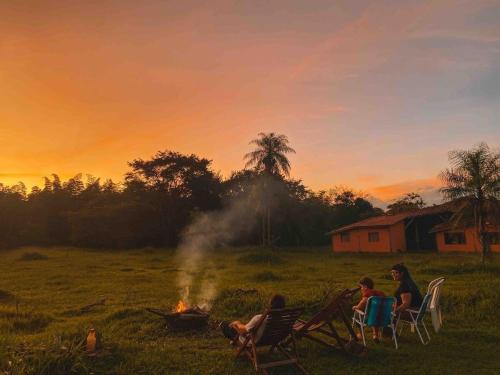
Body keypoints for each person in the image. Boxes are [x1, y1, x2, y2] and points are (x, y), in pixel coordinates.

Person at [219, 294, 286, 344]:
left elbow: (243, 331)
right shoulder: (285, 319)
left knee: (224, 325)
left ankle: (235, 340)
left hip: (254, 341)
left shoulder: (259, 318)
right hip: (273, 340)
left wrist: (236, 323)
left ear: (270, 305)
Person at [352, 277, 385, 342]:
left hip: (371, 319)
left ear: (365, 286)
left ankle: (360, 334)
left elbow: (364, 301)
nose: (361, 289)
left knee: (357, 313)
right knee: (375, 313)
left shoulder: (368, 293)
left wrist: (357, 307)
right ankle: (375, 335)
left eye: (361, 287)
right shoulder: (380, 293)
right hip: (383, 318)